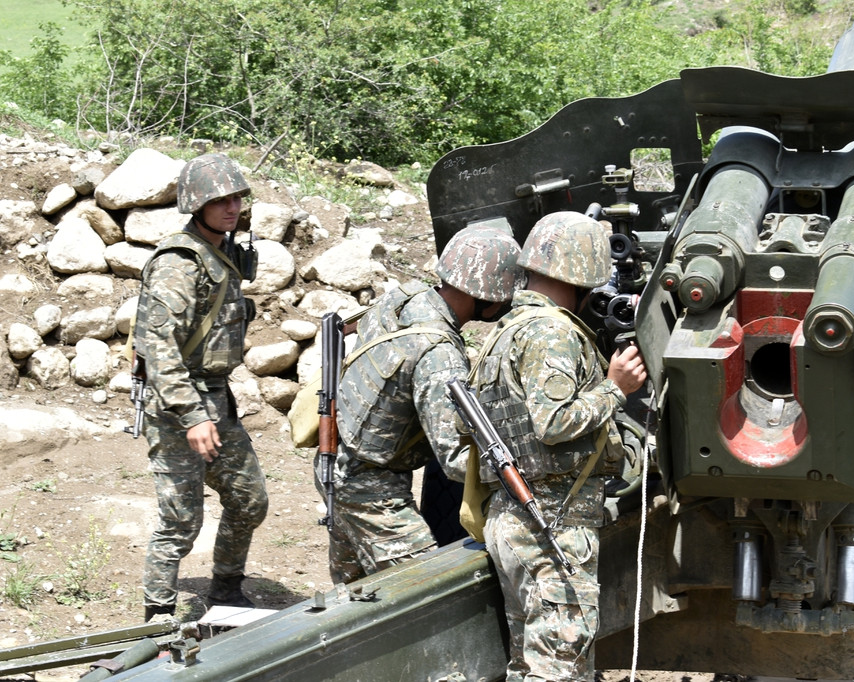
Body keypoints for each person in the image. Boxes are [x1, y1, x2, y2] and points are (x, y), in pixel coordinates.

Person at [470, 211, 647, 681]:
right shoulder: (552, 332)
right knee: (560, 667)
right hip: (552, 521)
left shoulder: (507, 330)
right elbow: (553, 422)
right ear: (584, 273)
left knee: (532, 665)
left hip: (517, 516)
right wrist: (615, 388)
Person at [315, 225, 523, 585]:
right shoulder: (439, 354)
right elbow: (456, 459)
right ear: (486, 296)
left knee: (354, 595)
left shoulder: (404, 297)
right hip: (370, 488)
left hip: (334, 457)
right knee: (427, 592)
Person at [134, 153, 267, 622]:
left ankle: (226, 591)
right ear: (196, 205)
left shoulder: (221, 251)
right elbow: (159, 350)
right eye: (219, 200)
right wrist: (192, 417)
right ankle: (157, 617)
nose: (231, 207)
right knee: (180, 520)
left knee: (249, 500)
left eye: (236, 199)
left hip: (216, 398)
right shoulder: (178, 263)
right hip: (177, 406)